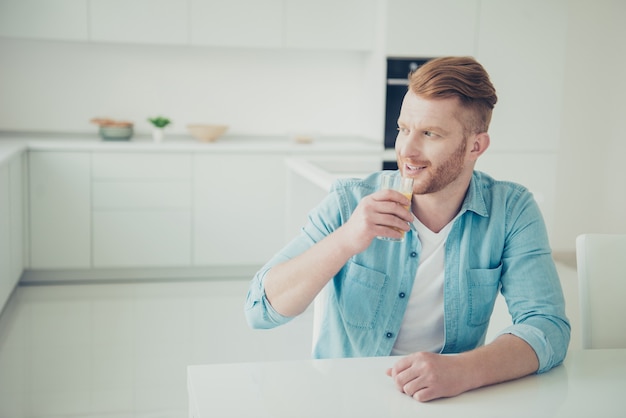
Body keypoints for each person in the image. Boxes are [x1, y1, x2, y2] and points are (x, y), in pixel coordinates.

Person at [244, 56, 570, 402]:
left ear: (476, 146)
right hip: (346, 397)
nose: (407, 150)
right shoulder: (349, 201)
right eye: (403, 129)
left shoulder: (511, 210)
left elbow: (547, 326)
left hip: (448, 399)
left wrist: (463, 370)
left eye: (430, 133)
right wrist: (346, 240)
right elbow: (259, 310)